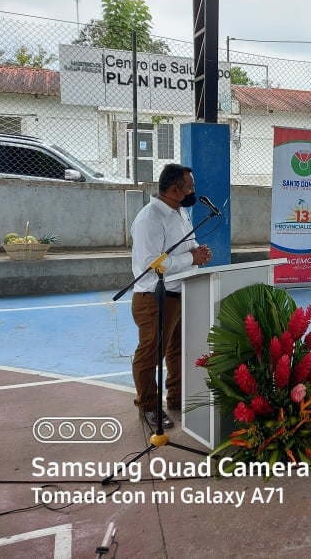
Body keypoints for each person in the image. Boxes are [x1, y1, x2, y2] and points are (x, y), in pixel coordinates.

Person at [131, 163, 212, 429]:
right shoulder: (150, 218)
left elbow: (187, 246)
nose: (193, 192)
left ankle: (176, 399)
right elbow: (150, 263)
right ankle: (148, 406)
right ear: (175, 189)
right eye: (190, 187)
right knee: (150, 354)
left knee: (177, 351)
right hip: (154, 297)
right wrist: (191, 258)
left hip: (180, 293)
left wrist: (198, 252)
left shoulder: (181, 212)